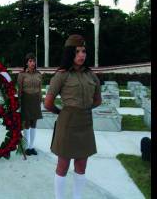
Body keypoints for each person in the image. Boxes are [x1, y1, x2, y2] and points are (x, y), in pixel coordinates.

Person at [44, 34, 102, 199]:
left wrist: (83, 109)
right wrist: (61, 112)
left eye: (83, 51)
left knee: (82, 165)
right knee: (63, 165)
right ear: (70, 53)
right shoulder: (61, 75)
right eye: (77, 51)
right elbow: (47, 103)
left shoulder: (91, 76)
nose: (82, 55)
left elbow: (98, 100)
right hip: (67, 123)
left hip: (85, 123)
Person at [17, 53, 42, 156]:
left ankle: (32, 147)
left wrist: (40, 99)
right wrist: (19, 101)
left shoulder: (38, 74)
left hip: (36, 99)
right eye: (30, 61)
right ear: (26, 63)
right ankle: (26, 147)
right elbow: (20, 89)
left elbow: (40, 88)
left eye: (33, 61)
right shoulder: (22, 74)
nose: (32, 63)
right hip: (26, 99)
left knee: (34, 123)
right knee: (26, 123)